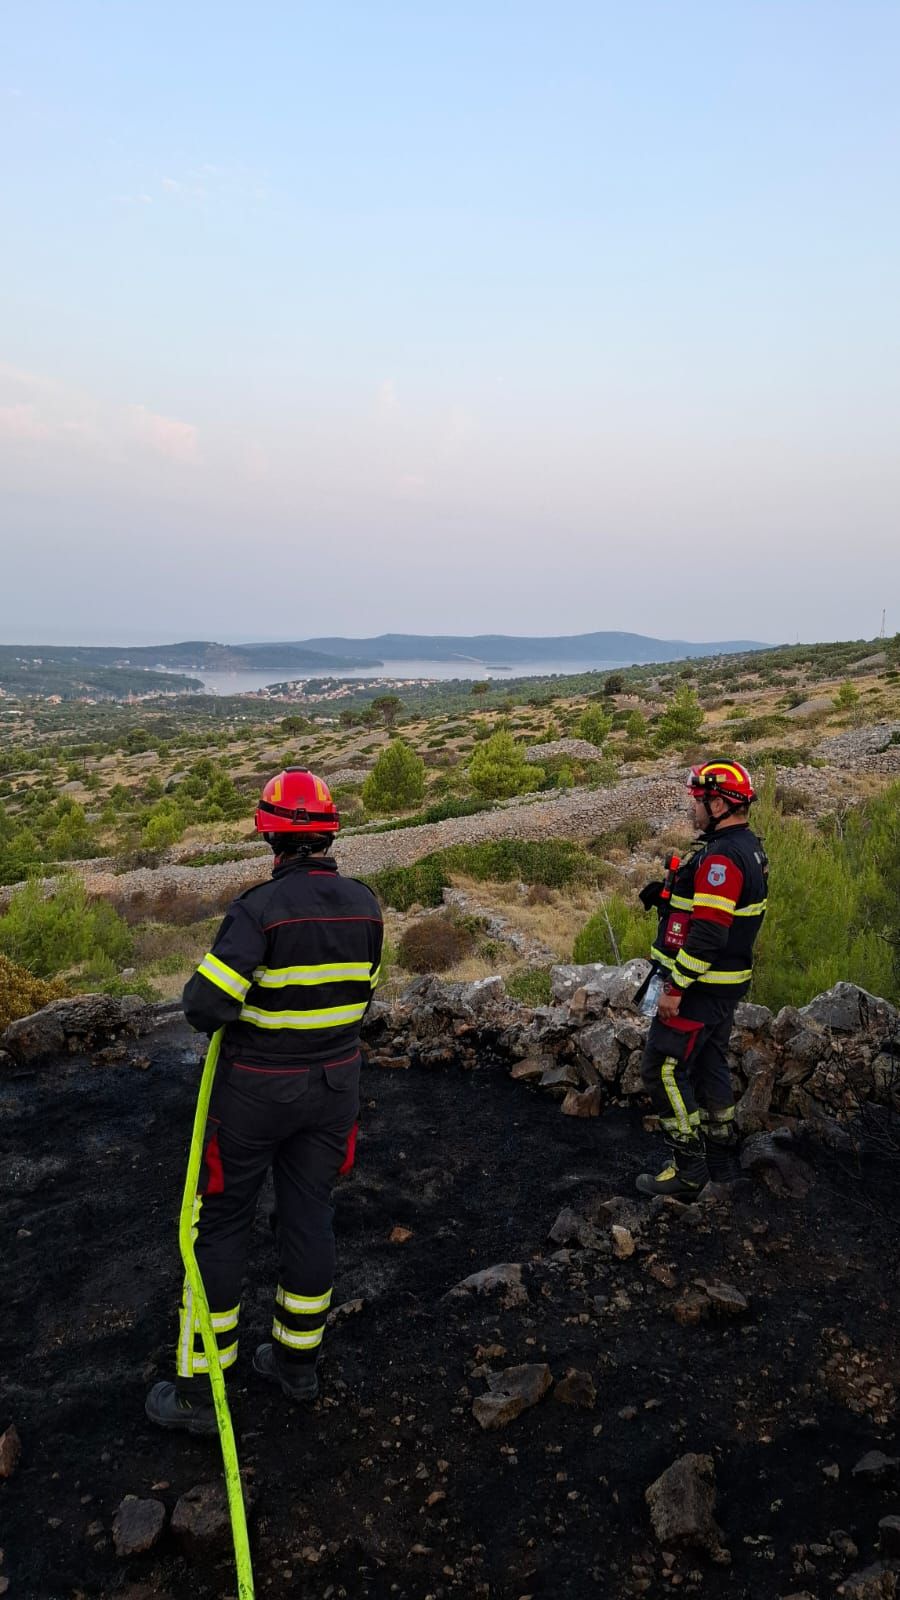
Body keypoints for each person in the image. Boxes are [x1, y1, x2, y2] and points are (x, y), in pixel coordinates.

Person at [146, 767, 383, 1435]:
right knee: (309, 1217)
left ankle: (200, 1390)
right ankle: (296, 1365)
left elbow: (204, 1006)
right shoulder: (366, 905)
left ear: (270, 835)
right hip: (335, 1089)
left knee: (220, 1224)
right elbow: (361, 995)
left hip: (256, 1093)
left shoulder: (258, 910)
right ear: (329, 834)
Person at [634, 760, 768, 1199]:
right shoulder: (745, 847)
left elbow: (709, 934)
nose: (692, 808)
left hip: (700, 988)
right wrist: (669, 897)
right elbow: (712, 911)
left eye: (698, 800)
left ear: (720, 803)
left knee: (661, 1069)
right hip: (723, 987)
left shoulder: (722, 858)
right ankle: (721, 1160)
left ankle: (688, 1170)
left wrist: (675, 988)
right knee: (710, 1064)